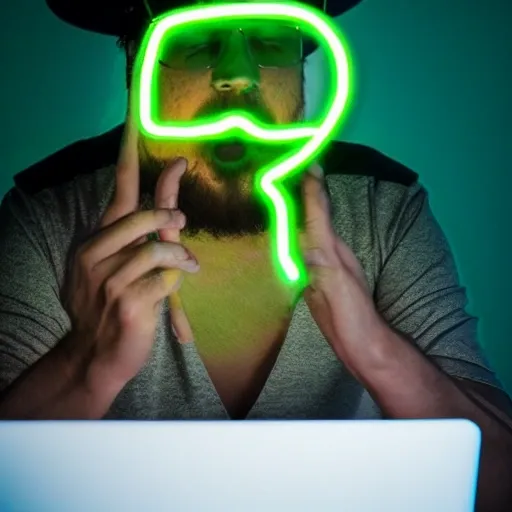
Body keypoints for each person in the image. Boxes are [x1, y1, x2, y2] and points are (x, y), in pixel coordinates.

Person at [0, 0, 511, 507]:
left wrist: (376, 349)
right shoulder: (50, 217)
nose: (239, 76)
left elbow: (502, 477)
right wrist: (86, 366)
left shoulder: (382, 207)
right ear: (136, 65)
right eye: (195, 42)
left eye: (270, 40)